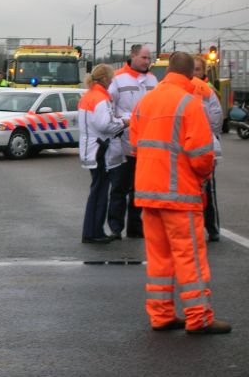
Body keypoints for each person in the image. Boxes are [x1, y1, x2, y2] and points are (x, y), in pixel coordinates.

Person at [130, 51, 231, 334]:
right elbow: (201, 155)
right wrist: (202, 178)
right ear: (190, 75)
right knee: (190, 258)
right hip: (180, 195)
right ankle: (199, 317)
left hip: (149, 193)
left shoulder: (145, 101)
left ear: (168, 71)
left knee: (159, 257)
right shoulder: (189, 103)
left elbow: (135, 145)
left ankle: (161, 315)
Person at [107, 44, 158, 239]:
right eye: (144, 58)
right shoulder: (118, 79)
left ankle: (136, 228)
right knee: (119, 188)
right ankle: (115, 228)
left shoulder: (153, 80)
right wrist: (124, 122)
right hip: (124, 144)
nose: (147, 61)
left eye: (149, 58)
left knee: (140, 189)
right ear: (133, 56)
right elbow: (109, 107)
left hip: (146, 145)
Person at [78, 64, 128, 244]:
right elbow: (104, 125)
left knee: (97, 190)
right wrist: (123, 123)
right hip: (99, 149)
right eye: (111, 78)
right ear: (105, 79)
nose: (112, 81)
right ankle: (93, 232)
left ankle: (92, 230)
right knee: (99, 192)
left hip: (90, 149)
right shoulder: (100, 98)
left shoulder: (89, 96)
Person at [192, 54, 223, 242]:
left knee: (208, 189)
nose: (194, 72)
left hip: (204, 144)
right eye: (192, 69)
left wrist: (204, 134)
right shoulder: (184, 87)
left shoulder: (207, 89)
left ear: (203, 71)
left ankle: (212, 227)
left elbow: (216, 118)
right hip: (190, 144)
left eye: (198, 69)